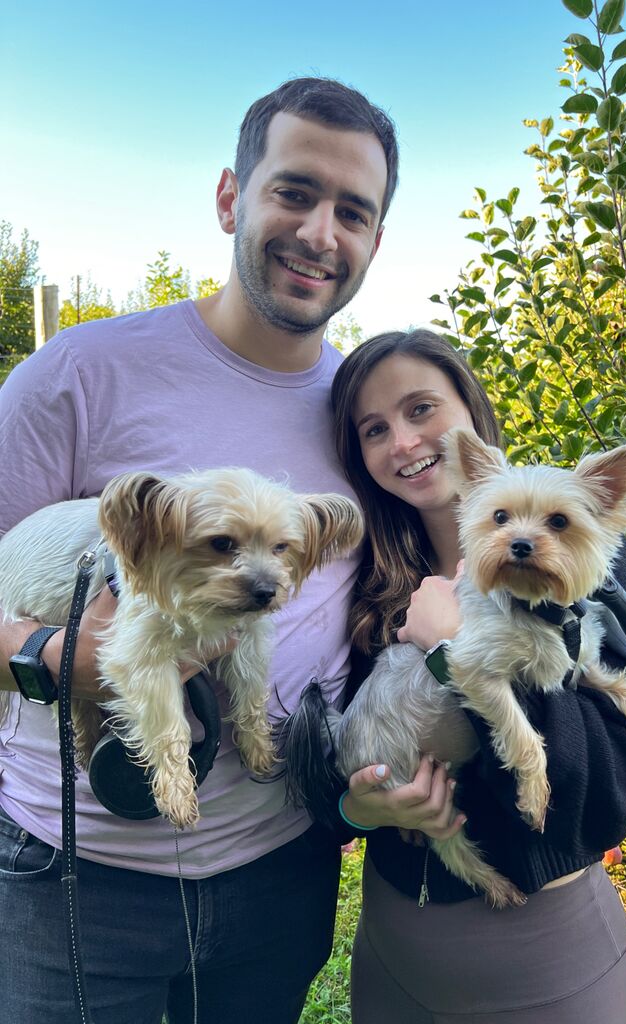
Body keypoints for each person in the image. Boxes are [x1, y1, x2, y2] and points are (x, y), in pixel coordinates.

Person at [0, 78, 409, 1024]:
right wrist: (51, 657)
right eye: (294, 191)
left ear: (376, 240)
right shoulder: (80, 373)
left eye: (354, 211)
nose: (320, 233)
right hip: (73, 870)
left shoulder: (373, 415)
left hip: (282, 870)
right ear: (232, 195)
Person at [327, 329, 626, 1023]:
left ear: (470, 413)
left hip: (543, 951)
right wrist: (356, 810)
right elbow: (330, 755)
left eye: (421, 408)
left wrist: (447, 646)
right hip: (393, 945)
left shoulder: (587, 568)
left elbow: (624, 770)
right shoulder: (362, 578)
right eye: (375, 429)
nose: (402, 441)